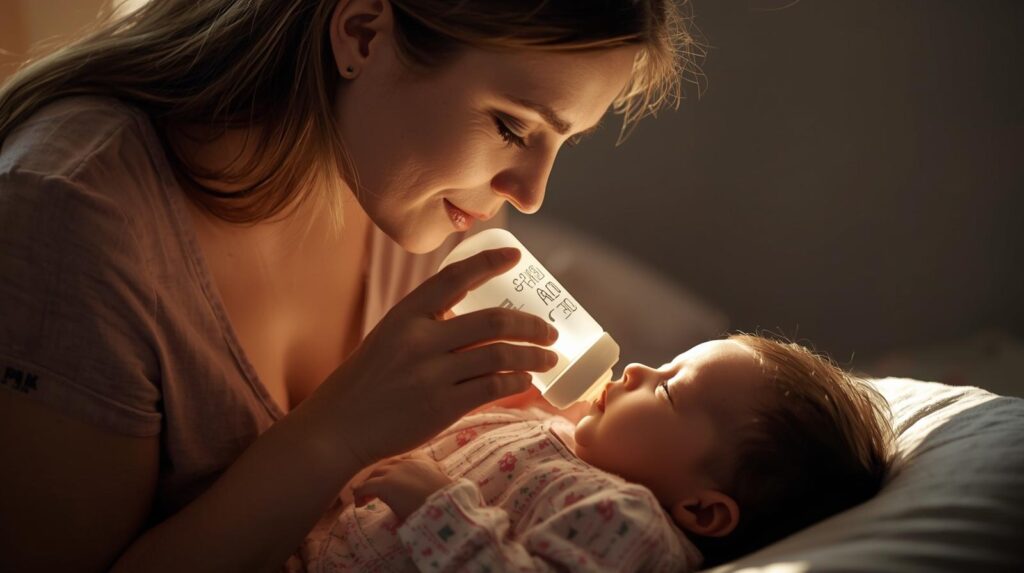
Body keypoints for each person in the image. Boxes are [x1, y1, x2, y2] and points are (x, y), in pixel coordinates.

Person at [0, 1, 703, 571]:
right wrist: (338, 433)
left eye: (564, 142)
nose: (531, 194)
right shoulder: (74, 210)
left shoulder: (394, 195)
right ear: (362, 33)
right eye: (511, 127)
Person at [282, 334, 893, 571]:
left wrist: (440, 510)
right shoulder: (567, 438)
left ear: (704, 511)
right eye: (664, 364)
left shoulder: (629, 525)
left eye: (670, 389)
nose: (637, 369)